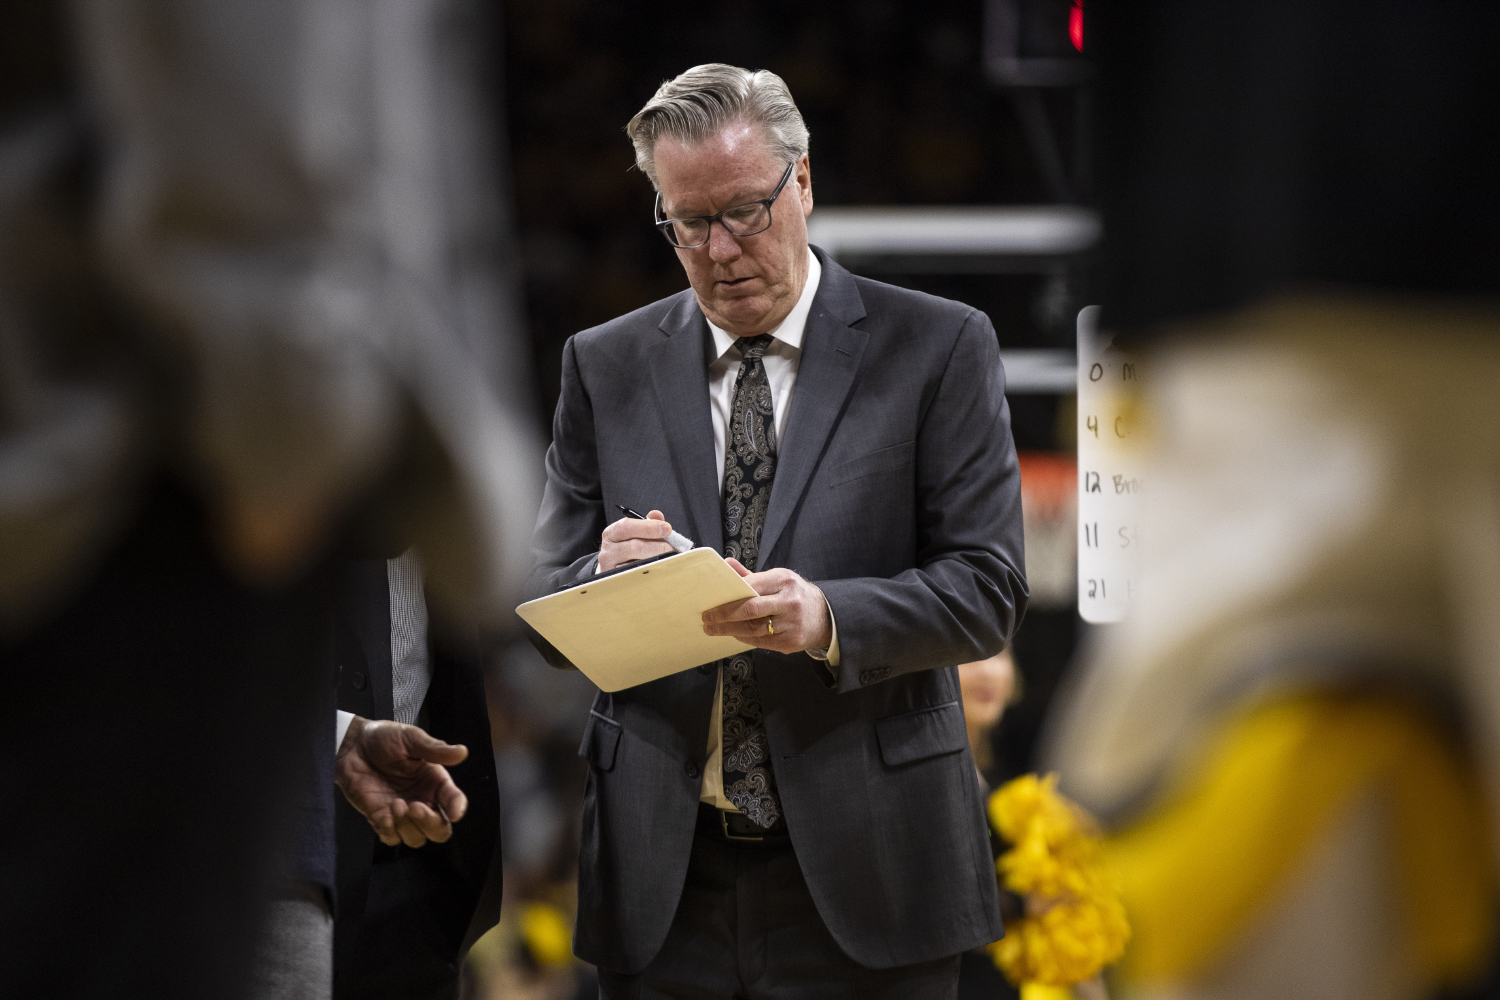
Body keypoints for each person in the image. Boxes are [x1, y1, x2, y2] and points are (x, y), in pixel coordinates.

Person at [526, 63, 1028, 998]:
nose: (719, 249)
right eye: (688, 223)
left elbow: (988, 588)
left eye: (746, 212)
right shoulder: (604, 365)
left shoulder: (938, 345)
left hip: (875, 866)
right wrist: (598, 573)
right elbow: (540, 599)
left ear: (802, 183)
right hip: (661, 883)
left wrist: (829, 616)